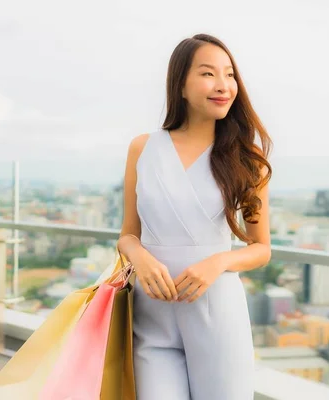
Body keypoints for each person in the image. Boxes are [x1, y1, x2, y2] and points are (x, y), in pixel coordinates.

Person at [117, 33, 273, 400]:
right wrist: (139, 257)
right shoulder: (142, 148)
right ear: (181, 85)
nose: (223, 86)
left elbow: (262, 247)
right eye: (208, 74)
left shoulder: (246, 157)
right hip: (151, 315)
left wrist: (217, 263)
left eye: (230, 74)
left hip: (217, 313)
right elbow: (127, 234)